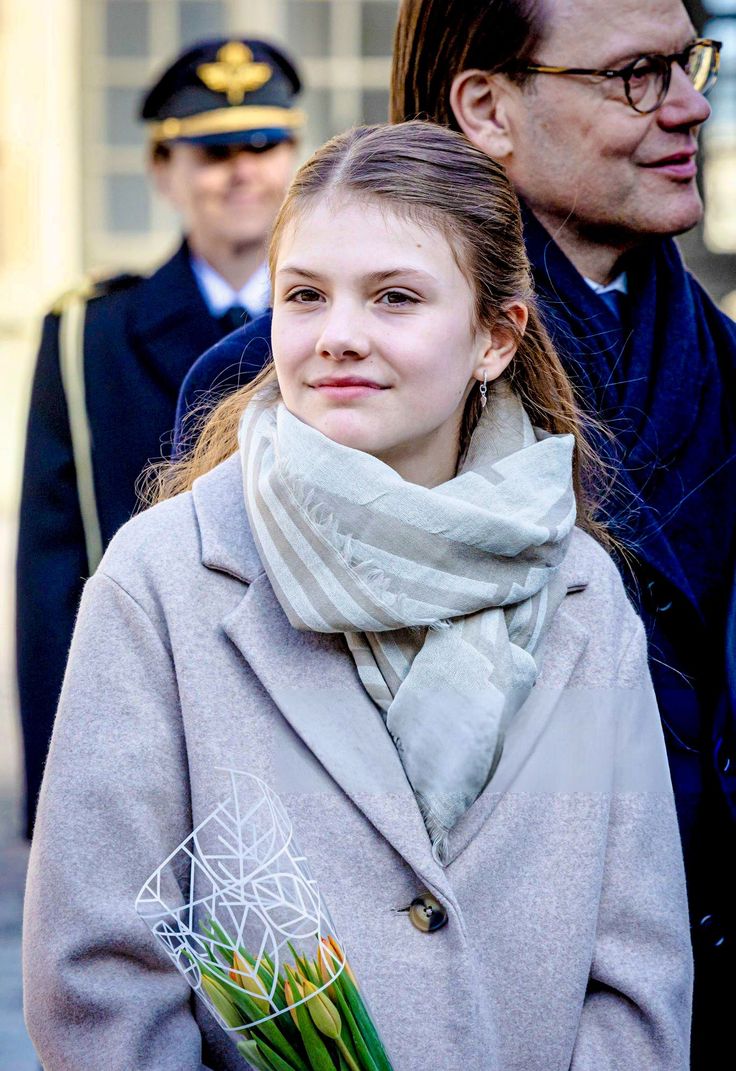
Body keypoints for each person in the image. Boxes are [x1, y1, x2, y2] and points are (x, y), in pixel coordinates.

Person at [24, 122, 691, 1071]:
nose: (338, 335)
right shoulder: (165, 578)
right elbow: (99, 974)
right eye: (303, 295)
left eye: (395, 297)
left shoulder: (581, 593)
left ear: (497, 338)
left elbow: (637, 968)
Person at [176, 4, 736, 1059]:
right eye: (636, 74)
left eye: (689, 61)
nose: (689, 102)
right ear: (486, 106)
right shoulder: (281, 389)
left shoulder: (729, 378)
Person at [16, 36, 304, 837]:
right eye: (212, 151)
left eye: (265, 143)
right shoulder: (88, 337)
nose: (243, 171)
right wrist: (57, 793)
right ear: (160, 169)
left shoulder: (340, 330)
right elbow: (52, 575)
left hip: (313, 711)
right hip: (153, 708)